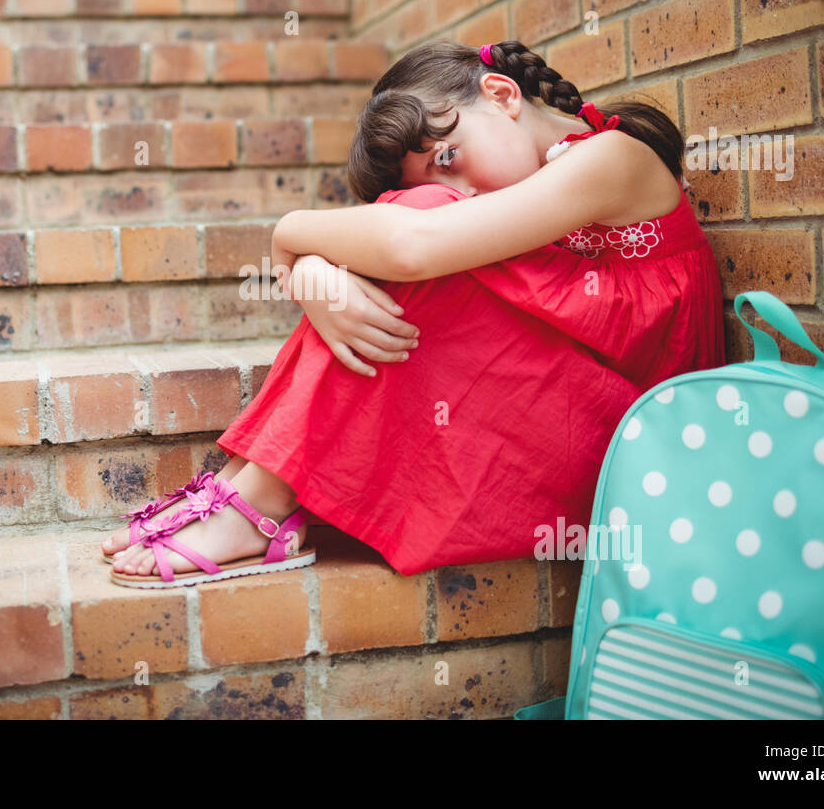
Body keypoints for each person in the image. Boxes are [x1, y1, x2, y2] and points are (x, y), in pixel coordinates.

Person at [104, 38, 726, 587]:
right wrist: (320, 274)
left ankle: (259, 500)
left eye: (450, 154)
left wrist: (290, 239)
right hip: (562, 402)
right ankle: (249, 486)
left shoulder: (611, 158)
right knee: (414, 218)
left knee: (422, 215)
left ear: (502, 93)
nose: (463, 190)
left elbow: (413, 244)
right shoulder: (539, 180)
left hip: (632, 440)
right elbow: (402, 241)